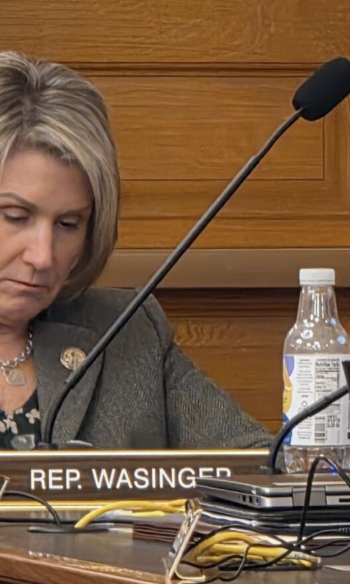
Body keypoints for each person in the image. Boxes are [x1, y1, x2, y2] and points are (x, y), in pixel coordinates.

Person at [0, 52, 269, 450]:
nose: (43, 256)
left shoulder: (126, 332)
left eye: (68, 224)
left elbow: (257, 465)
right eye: (15, 215)